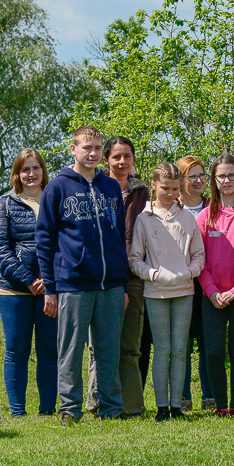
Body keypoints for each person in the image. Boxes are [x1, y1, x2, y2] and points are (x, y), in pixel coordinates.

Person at [36, 126, 128, 424]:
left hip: (110, 282)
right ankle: (70, 410)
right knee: (71, 350)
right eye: (87, 147)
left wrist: (122, 282)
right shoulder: (58, 188)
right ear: (73, 149)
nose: (93, 153)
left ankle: (111, 408)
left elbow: (118, 238)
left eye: (98, 148)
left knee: (108, 350)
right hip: (73, 282)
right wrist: (50, 287)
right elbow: (44, 239)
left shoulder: (111, 187)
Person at [128, 163, 206, 421]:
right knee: (162, 348)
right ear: (153, 185)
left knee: (180, 349)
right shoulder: (143, 217)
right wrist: (152, 274)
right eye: (165, 188)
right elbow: (135, 258)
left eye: (175, 188)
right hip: (155, 292)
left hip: (184, 290)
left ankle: (177, 406)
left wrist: (189, 272)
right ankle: (162, 407)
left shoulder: (187, 217)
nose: (170, 193)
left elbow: (198, 256)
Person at [0, 148, 55, 416]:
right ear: (17, 174)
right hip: (12, 290)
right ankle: (17, 411)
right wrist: (28, 279)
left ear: (43, 171)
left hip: (50, 292)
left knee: (49, 352)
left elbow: (65, 245)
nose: (31, 174)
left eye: (36, 168)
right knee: (16, 351)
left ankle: (48, 410)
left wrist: (50, 282)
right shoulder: (4, 203)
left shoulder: (55, 201)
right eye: (25, 169)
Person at [198, 154, 234, 416]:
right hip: (212, 296)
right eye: (221, 176)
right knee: (213, 351)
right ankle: (221, 405)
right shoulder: (205, 216)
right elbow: (200, 260)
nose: (227, 180)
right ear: (214, 180)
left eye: (232, 175)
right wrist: (211, 292)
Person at [98, 136, 149, 418]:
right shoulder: (94, 189)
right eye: (116, 157)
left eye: (127, 156)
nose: (122, 162)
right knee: (102, 347)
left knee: (130, 346)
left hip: (133, 275)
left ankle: (132, 406)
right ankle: (99, 404)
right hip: (102, 275)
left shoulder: (143, 193)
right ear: (106, 159)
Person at [175, 154, 212, 412]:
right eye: (193, 176)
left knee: (208, 341)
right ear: (181, 179)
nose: (199, 180)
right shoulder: (171, 207)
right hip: (179, 282)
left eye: (202, 175)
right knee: (183, 343)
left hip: (208, 282)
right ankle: (183, 396)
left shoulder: (213, 205)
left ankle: (209, 396)